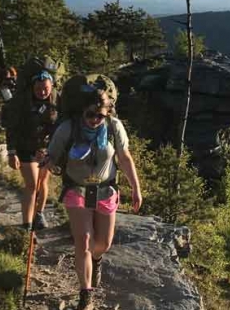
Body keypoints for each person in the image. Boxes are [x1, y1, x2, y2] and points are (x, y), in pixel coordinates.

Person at [42, 86, 142, 310]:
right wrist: (46, 164)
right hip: (76, 190)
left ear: (107, 114)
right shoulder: (68, 129)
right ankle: (85, 294)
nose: (95, 119)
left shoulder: (114, 127)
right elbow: (53, 156)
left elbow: (124, 158)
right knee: (84, 240)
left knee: (103, 243)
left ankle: (96, 260)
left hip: (105, 190)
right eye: (90, 114)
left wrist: (136, 188)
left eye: (100, 115)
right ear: (81, 112)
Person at [3, 70, 58, 231]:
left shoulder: (57, 101)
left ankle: (39, 213)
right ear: (32, 87)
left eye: (45, 88)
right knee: (32, 184)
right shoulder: (22, 103)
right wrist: (12, 152)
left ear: (52, 86)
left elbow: (59, 127)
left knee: (42, 182)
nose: (42, 92)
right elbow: (11, 128)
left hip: (46, 148)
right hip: (25, 147)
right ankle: (27, 223)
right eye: (38, 89)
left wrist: (49, 148)